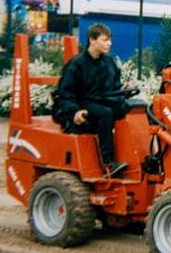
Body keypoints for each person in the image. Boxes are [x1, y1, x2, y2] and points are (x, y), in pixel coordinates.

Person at [53, 23, 129, 177]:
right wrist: (74, 111)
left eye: (110, 40)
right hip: (83, 104)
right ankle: (108, 162)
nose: (110, 43)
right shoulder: (77, 64)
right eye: (105, 40)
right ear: (92, 40)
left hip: (101, 101)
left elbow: (113, 86)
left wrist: (122, 89)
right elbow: (64, 93)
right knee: (105, 113)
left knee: (131, 109)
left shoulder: (109, 62)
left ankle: (136, 155)